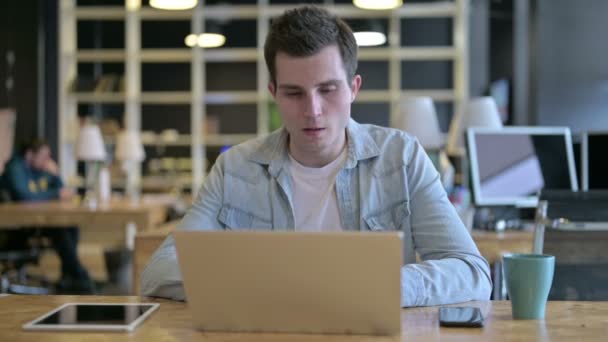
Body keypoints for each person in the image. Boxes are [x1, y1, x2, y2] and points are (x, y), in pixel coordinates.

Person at [142, 5, 491, 307]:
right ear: (274, 93)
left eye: (328, 89)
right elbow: (159, 272)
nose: (313, 110)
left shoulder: (402, 157)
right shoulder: (234, 168)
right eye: (294, 92)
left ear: (353, 88)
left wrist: (382, 287)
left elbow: (471, 271)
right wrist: (280, 289)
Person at [0, 139, 94, 294]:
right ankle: (80, 277)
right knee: (59, 230)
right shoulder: (15, 168)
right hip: (12, 229)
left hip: (30, 223)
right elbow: (25, 196)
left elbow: (61, 192)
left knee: (69, 225)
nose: (46, 161)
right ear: (30, 154)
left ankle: (69, 277)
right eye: (43, 156)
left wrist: (55, 174)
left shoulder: (38, 170)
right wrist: (56, 193)